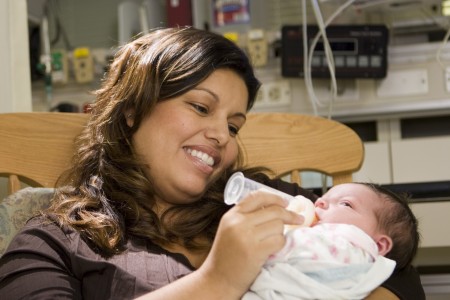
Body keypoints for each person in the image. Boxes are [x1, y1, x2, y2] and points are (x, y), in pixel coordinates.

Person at [0, 27, 424, 300]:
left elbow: (392, 264)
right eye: (202, 108)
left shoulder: (270, 203)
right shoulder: (54, 243)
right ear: (132, 110)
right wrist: (216, 281)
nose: (222, 136)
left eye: (234, 126)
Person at [243, 182, 420, 299]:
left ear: (379, 245)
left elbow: (278, 250)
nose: (319, 202)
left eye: (345, 204)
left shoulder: (347, 247)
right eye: (324, 197)